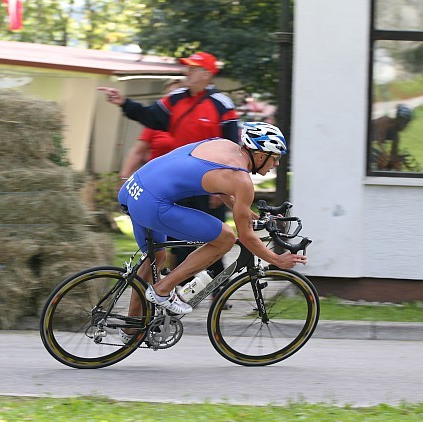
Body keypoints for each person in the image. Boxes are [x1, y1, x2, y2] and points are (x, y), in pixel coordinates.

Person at [117, 122, 307, 328]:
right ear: (260, 155)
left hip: (132, 190)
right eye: (275, 158)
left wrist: (248, 214)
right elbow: (246, 237)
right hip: (152, 204)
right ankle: (163, 290)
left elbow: (221, 187)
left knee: (155, 258)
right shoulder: (241, 180)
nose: (277, 164)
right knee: (225, 237)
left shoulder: (223, 145)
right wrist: (276, 259)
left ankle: (131, 328)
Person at [100, 51, 239, 282]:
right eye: (188, 68)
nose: (188, 72)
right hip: (178, 184)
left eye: (193, 69)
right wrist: (124, 103)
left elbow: (232, 148)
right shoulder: (176, 99)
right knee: (179, 243)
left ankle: (216, 292)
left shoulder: (221, 104)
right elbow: (149, 116)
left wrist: (223, 188)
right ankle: (175, 291)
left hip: (210, 186)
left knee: (216, 239)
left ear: (206, 74)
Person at [118, 79, 182, 182]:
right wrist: (124, 178)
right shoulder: (157, 122)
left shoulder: (192, 123)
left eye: (175, 93)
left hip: (182, 180)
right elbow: (137, 152)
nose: (170, 97)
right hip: (155, 179)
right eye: (167, 93)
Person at [371, 104, 414, 170]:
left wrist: (398, 160)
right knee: (382, 160)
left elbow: (393, 155)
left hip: (373, 148)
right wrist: (386, 157)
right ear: (400, 119)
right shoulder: (384, 121)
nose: (407, 126)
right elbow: (379, 143)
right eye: (406, 123)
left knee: (390, 165)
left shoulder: (396, 136)